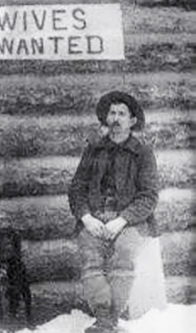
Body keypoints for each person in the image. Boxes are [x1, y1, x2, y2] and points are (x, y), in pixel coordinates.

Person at [69, 91, 159, 333]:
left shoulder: (143, 153)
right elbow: (76, 188)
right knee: (91, 261)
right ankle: (105, 320)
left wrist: (121, 220)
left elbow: (149, 196)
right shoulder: (93, 150)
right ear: (105, 118)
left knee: (124, 257)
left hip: (129, 222)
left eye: (122, 114)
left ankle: (107, 323)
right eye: (112, 113)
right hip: (94, 220)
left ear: (132, 121)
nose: (116, 118)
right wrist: (86, 218)